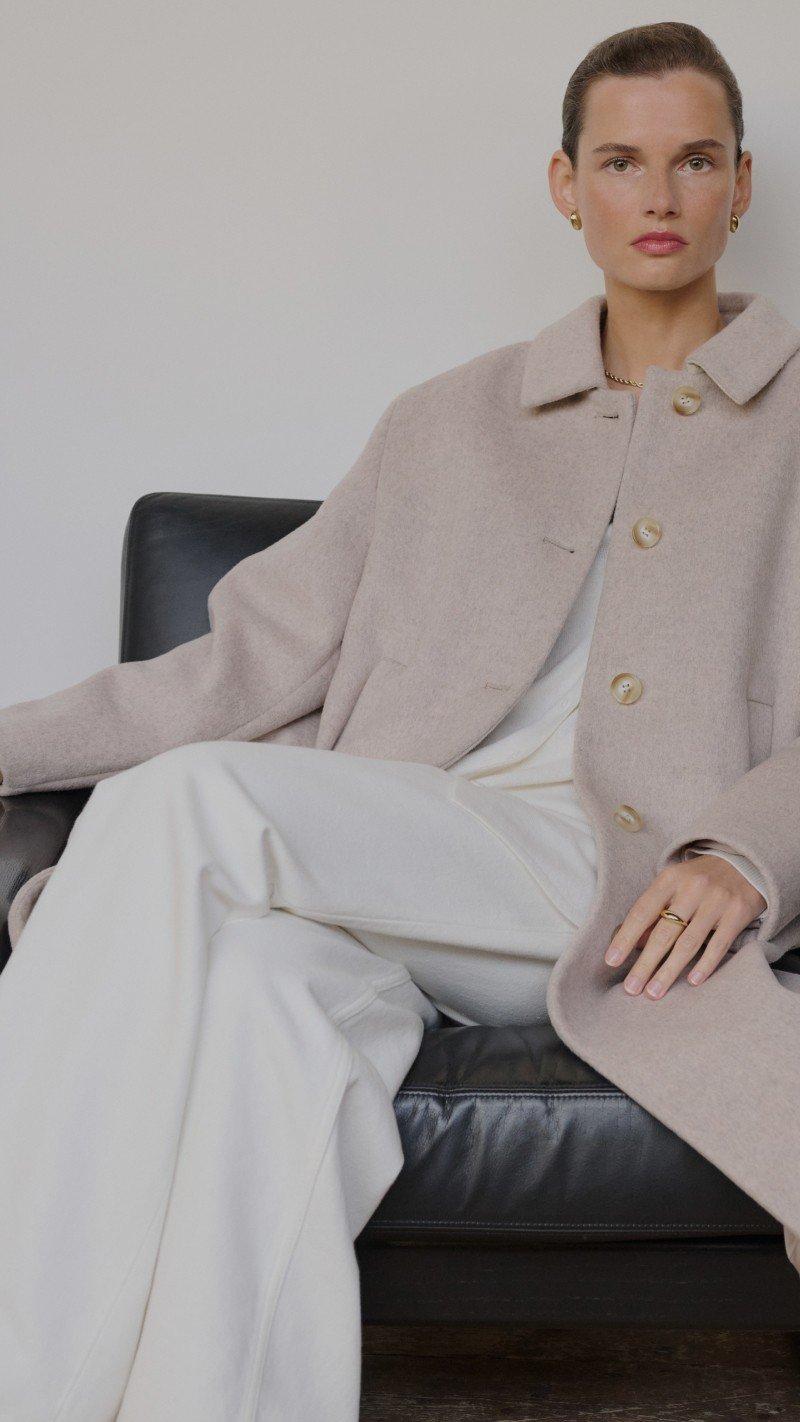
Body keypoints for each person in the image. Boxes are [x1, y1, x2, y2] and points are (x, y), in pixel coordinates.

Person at [0, 20, 786, 1421]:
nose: (658, 197)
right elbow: (230, 667)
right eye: (621, 160)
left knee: (182, 803)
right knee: (252, 1028)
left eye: (693, 160)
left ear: (743, 184)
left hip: (613, 886)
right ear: (565, 185)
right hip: (401, 867)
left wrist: (749, 848)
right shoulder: (447, 420)